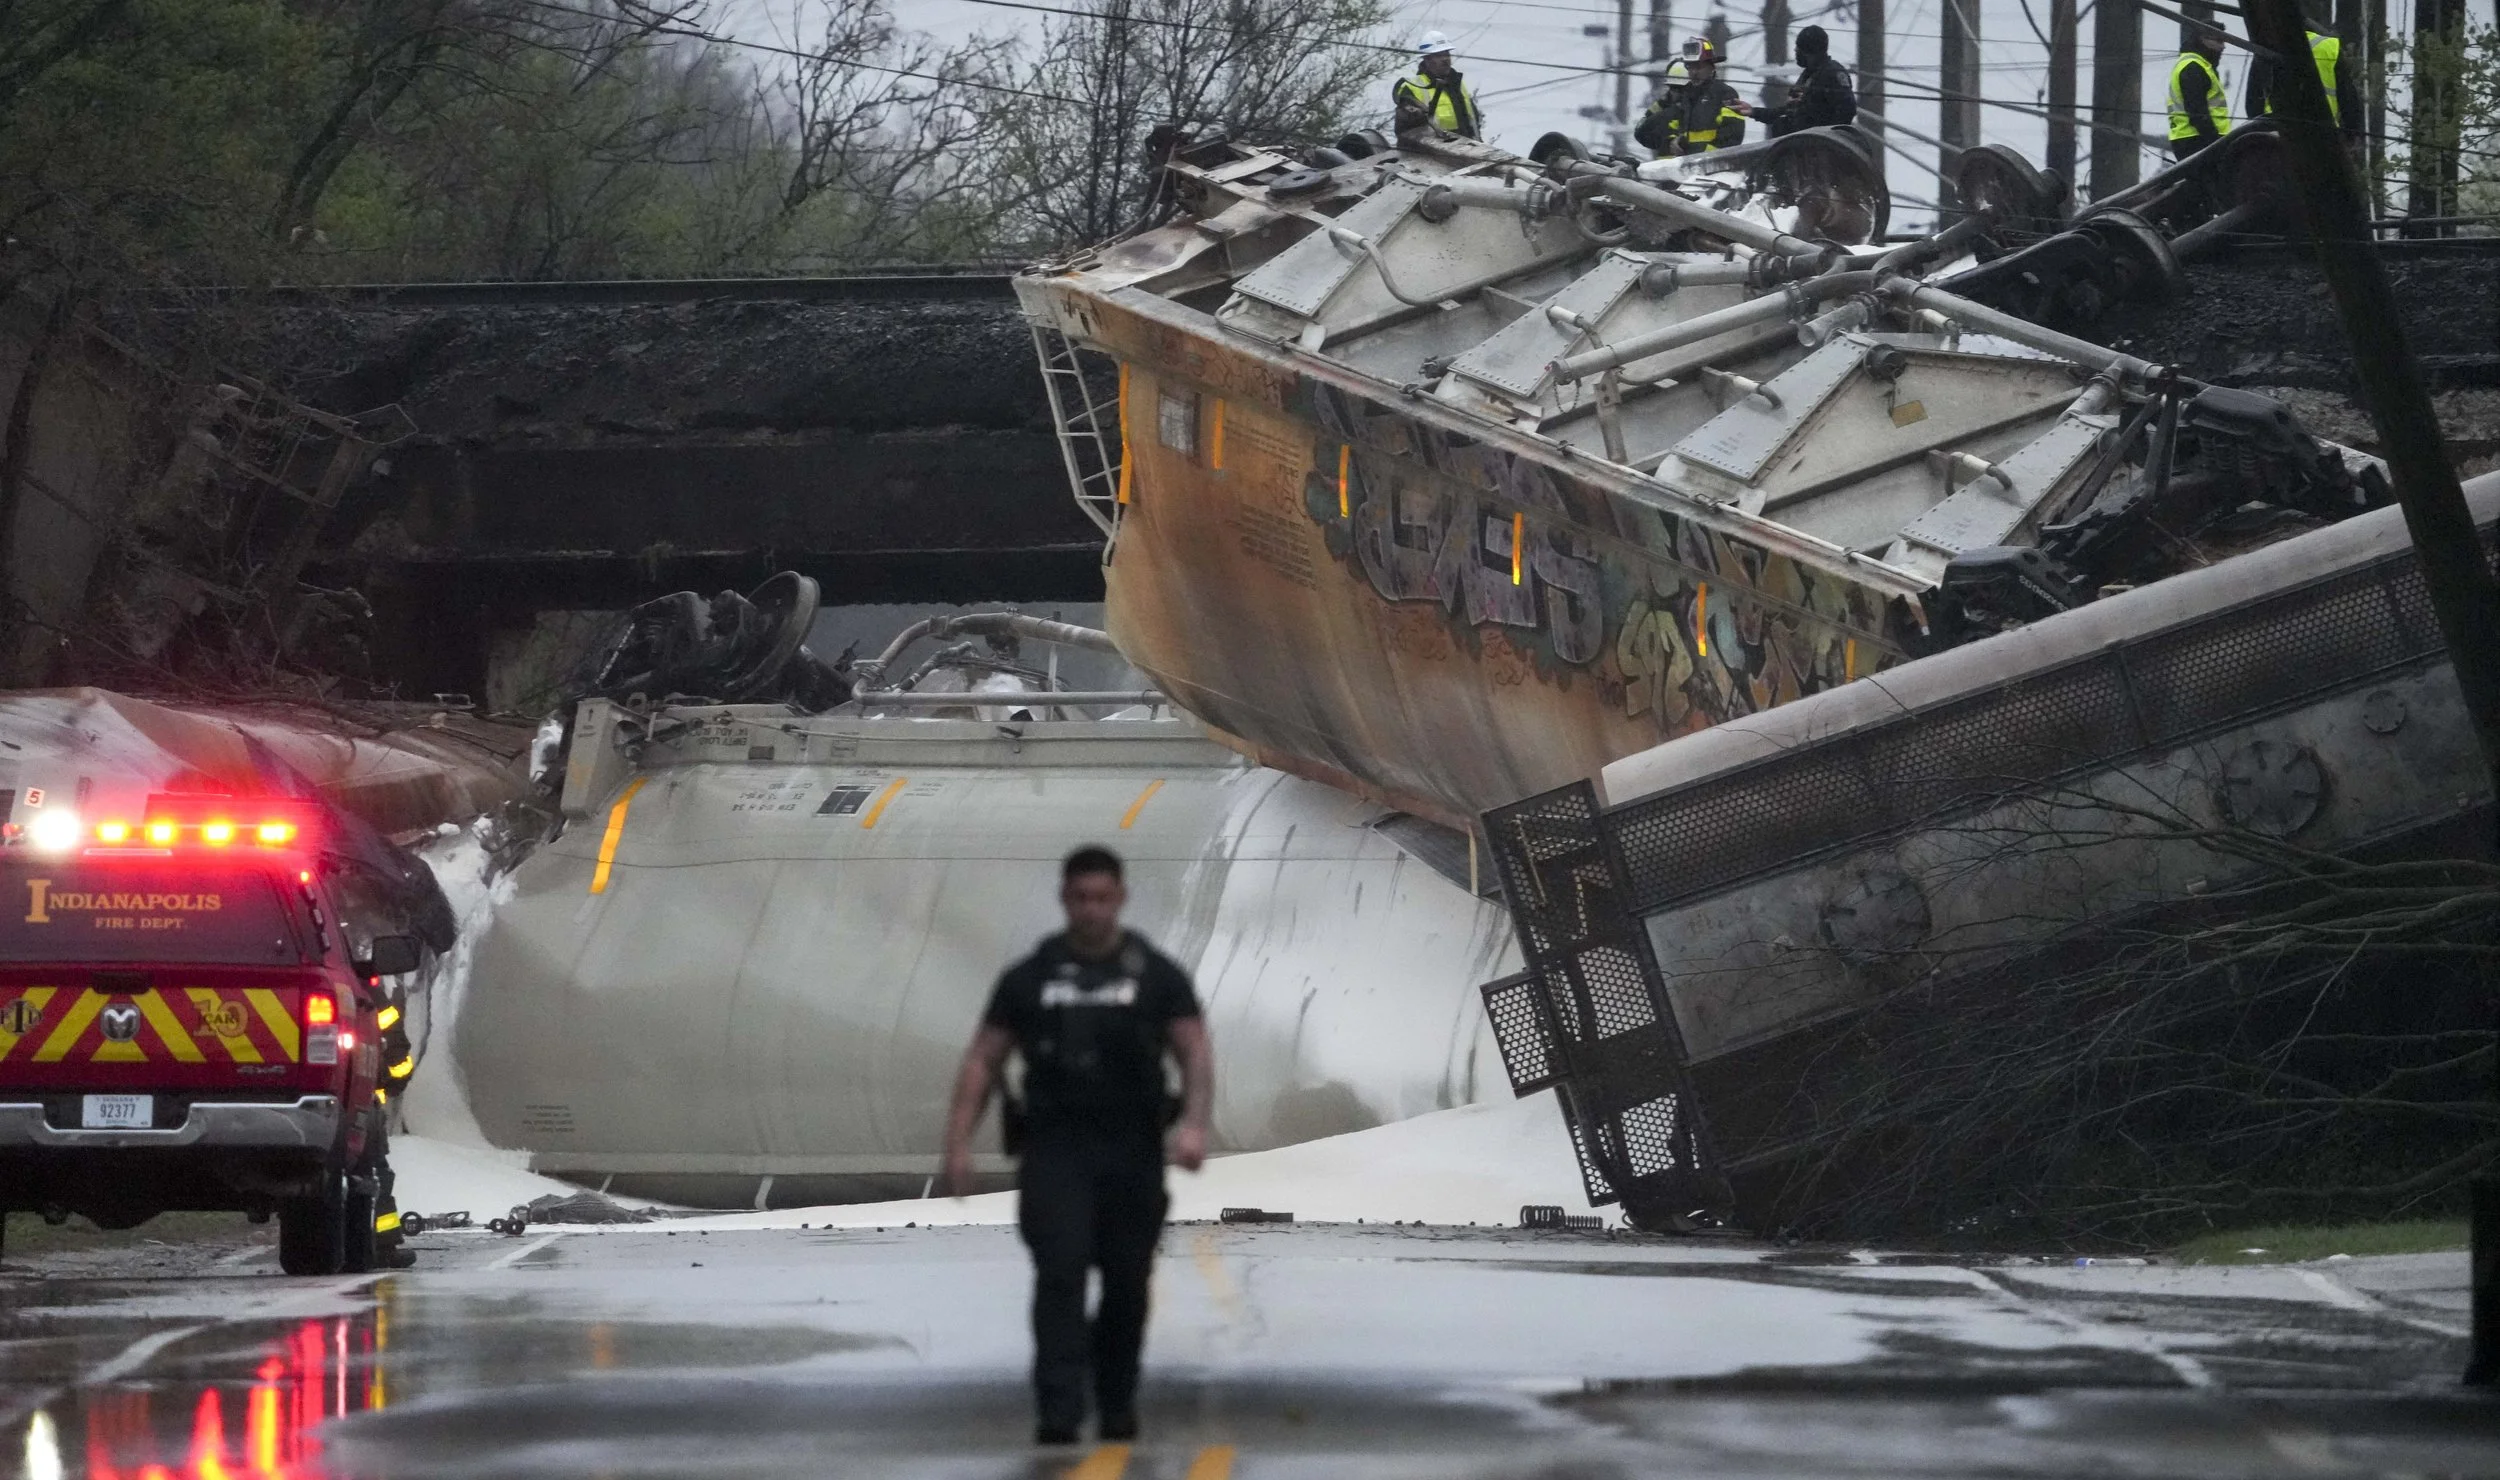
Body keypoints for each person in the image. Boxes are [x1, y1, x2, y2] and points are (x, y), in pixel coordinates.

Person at [942, 845, 1214, 1447]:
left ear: (1119, 899)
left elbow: (1192, 1048)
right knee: (1060, 1273)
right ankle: (1059, 1409)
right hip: (1055, 1152)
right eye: (1080, 898)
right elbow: (985, 1058)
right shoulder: (1030, 979)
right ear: (1065, 899)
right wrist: (957, 1143)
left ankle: (1116, 1399)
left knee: (1125, 1281)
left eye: (1102, 898)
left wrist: (1194, 1124)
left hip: (1132, 1152)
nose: (1091, 910)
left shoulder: (1156, 977)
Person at [2245, 15, 2361, 141]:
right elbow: (2348, 100)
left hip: (2276, 134)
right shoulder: (2329, 47)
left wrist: (2259, 133)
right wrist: (2351, 135)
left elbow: (2252, 101)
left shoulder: (2268, 48)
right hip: (2323, 134)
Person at [1635, 41, 1748, 157]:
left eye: (1698, 67)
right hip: (1681, 169)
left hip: (1714, 170)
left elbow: (1732, 138)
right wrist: (1671, 143)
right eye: (1690, 67)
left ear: (1711, 67)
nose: (1694, 72)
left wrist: (1694, 153)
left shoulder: (1724, 94)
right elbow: (1646, 131)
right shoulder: (1686, 98)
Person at [1761, 24, 1856, 135]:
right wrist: (1754, 112)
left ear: (1809, 51)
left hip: (1819, 143)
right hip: (1800, 141)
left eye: (1799, 47)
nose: (1795, 50)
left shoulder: (1833, 73)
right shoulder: (1807, 76)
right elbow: (1789, 110)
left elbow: (1847, 109)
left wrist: (1825, 133)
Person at [1392, 32, 1483, 140]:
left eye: (1447, 54)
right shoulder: (1412, 87)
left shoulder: (1457, 84)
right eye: (1439, 55)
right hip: (1434, 153)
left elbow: (1473, 120)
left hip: (1469, 149)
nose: (1445, 59)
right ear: (1427, 59)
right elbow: (1405, 131)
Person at [2167, 23, 2232, 161]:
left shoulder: (2199, 65)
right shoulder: (2193, 67)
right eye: (2219, 41)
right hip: (2198, 141)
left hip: (2192, 139)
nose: (2223, 47)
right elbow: (2197, 112)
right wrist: (2215, 143)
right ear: (2203, 39)